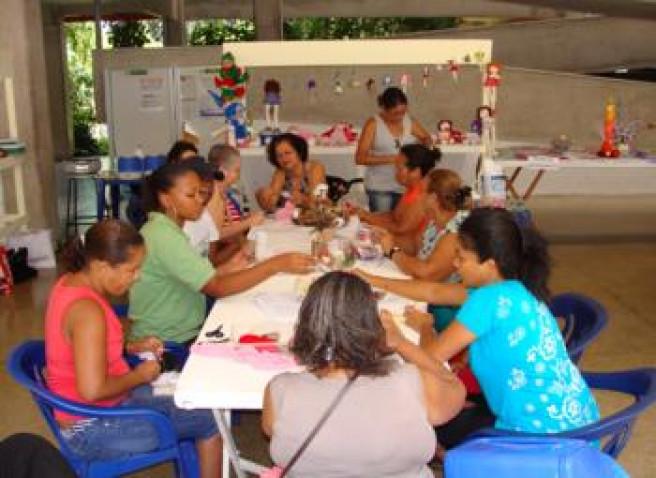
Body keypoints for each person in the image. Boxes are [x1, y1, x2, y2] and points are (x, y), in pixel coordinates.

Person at [358, 208, 600, 448]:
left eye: (461, 258)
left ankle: (449, 458)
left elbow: (428, 360)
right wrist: (372, 280)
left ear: (490, 264)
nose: (455, 264)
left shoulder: (486, 301)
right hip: (580, 425)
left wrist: (422, 328)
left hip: (539, 442)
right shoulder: (516, 288)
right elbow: (433, 291)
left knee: (429, 413)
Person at [44, 220, 222, 477]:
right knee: (209, 420)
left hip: (86, 412)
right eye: (132, 270)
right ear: (102, 266)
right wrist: (140, 375)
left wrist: (131, 346)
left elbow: (80, 346)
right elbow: (92, 391)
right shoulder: (87, 311)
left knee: (191, 400)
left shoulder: (69, 284)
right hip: (91, 428)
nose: (137, 277)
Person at [262, 271, 465, 477]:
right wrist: (401, 343)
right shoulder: (411, 382)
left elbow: (272, 432)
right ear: (373, 326)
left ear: (305, 327)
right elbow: (453, 388)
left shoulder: (281, 389)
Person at [129, 161, 315, 344]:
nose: (200, 200)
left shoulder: (167, 229)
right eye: (191, 195)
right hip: (168, 340)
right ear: (166, 199)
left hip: (180, 329)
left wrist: (230, 266)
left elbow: (198, 277)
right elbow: (216, 287)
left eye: (200, 194)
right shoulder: (163, 236)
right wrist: (275, 265)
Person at [377, 168, 472, 331]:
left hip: (445, 307)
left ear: (433, 198)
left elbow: (427, 273)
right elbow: (415, 247)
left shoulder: (456, 231)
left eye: (422, 192)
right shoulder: (435, 220)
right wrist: (384, 240)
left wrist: (392, 251)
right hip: (427, 292)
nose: (418, 197)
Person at [355, 87, 432, 213]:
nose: (400, 116)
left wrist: (422, 148)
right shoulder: (373, 124)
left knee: (401, 224)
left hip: (405, 186)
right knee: (382, 225)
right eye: (395, 113)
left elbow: (426, 138)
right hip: (380, 187)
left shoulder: (409, 121)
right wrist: (395, 158)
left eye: (403, 111)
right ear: (384, 109)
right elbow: (360, 158)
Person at [353, 144, 440, 253]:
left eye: (399, 169)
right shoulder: (412, 188)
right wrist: (365, 215)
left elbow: (400, 228)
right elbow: (395, 215)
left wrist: (367, 217)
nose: (395, 173)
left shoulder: (422, 195)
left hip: (412, 251)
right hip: (400, 242)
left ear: (416, 172)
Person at [256, 133, 326, 212]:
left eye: (288, 153)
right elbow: (272, 204)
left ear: (299, 152)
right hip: (293, 220)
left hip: (318, 216)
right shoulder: (280, 172)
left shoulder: (315, 168)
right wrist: (265, 198)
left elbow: (319, 202)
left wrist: (303, 200)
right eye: (279, 155)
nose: (284, 159)